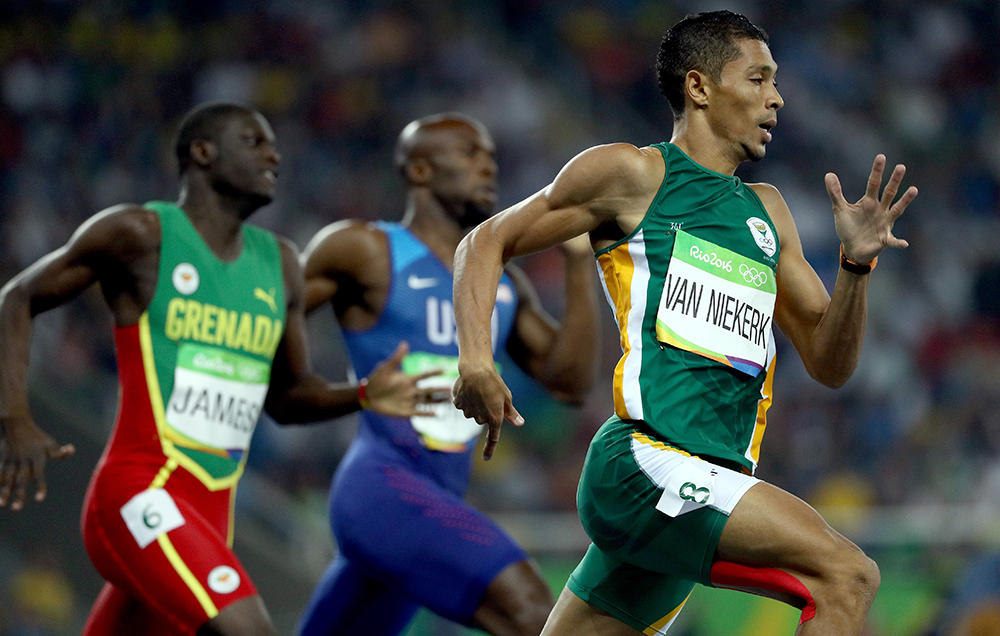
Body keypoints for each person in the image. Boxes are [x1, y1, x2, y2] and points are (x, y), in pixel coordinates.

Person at [452, 10, 918, 636]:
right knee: (847, 575)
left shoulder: (768, 212)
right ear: (699, 88)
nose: (777, 97)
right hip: (646, 462)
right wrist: (477, 359)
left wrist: (855, 267)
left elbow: (831, 364)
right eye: (758, 78)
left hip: (708, 486)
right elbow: (483, 243)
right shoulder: (634, 175)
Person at [0, 102, 442, 636]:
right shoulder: (141, 234)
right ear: (202, 152)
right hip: (140, 493)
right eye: (254, 141)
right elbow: (17, 298)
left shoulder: (281, 265)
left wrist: (366, 394)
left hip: (212, 518)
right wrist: (16, 419)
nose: (274, 153)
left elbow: (287, 398)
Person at [295, 112, 600, 635]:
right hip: (381, 488)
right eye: (469, 153)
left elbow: (569, 382)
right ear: (418, 170)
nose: (488, 165)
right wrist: (344, 394)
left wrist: (577, 262)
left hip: (434, 499)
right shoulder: (364, 249)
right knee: (530, 607)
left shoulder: (500, 283)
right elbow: (267, 318)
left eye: (491, 156)